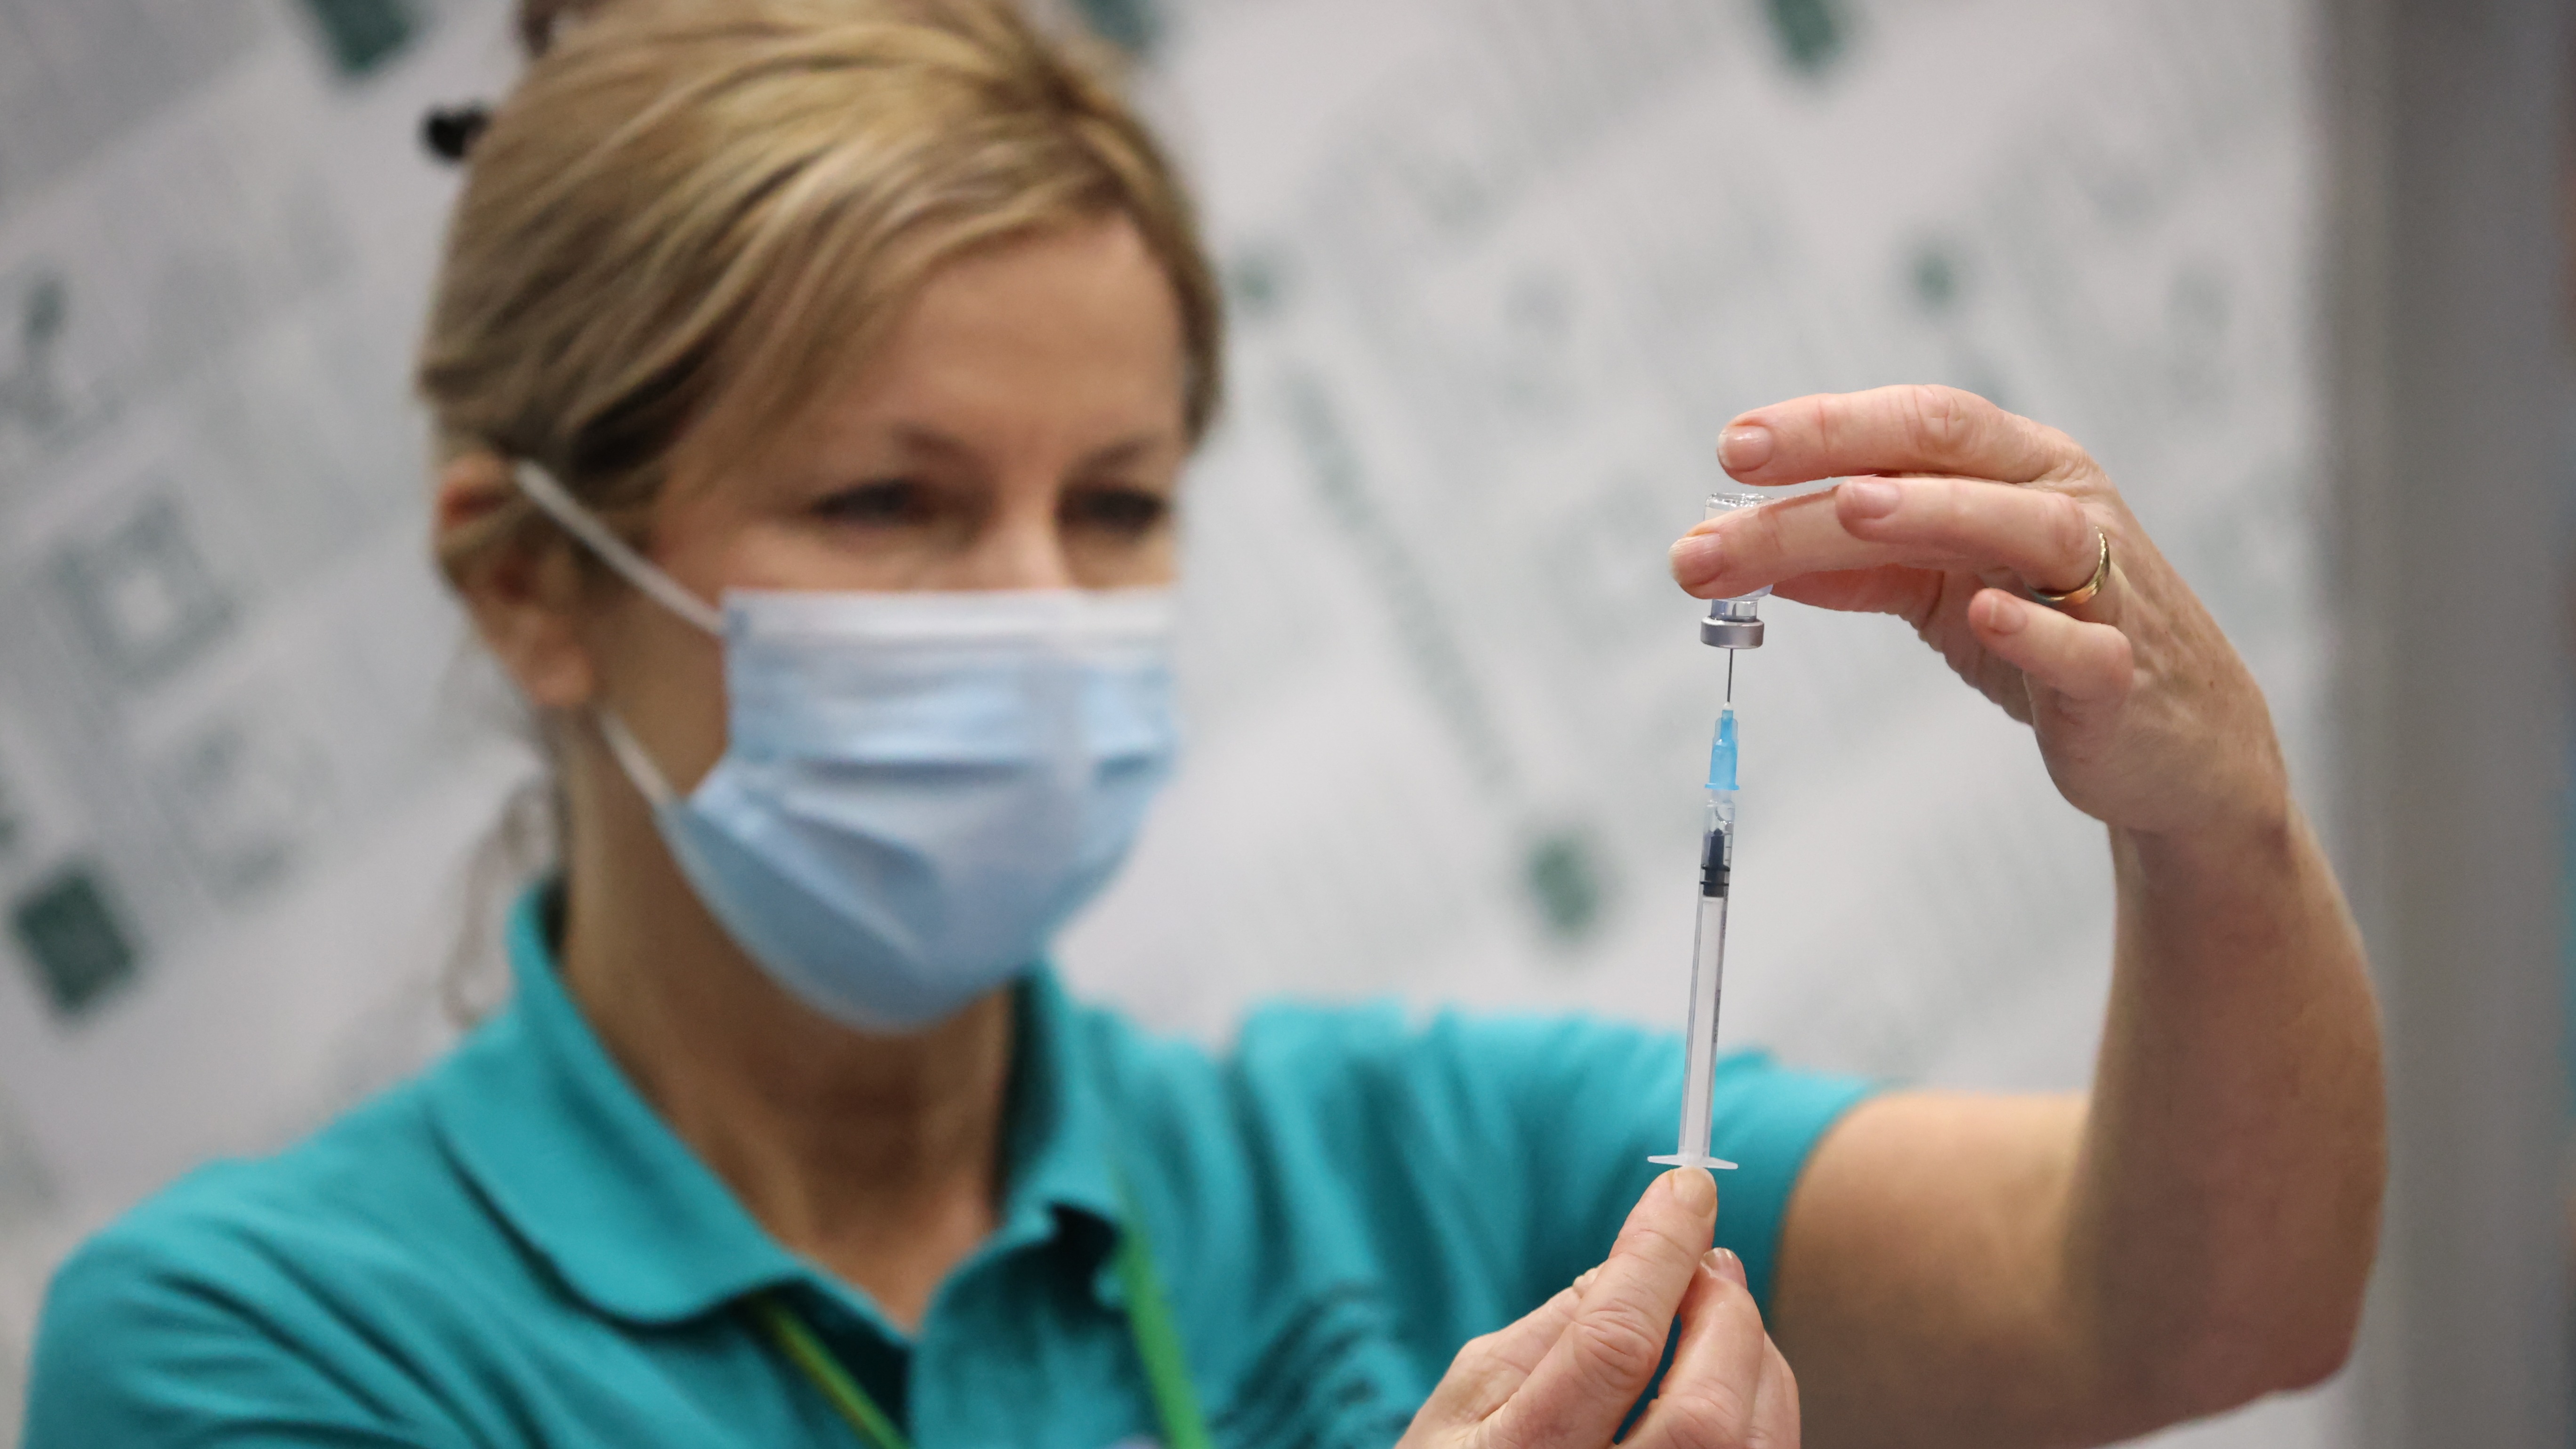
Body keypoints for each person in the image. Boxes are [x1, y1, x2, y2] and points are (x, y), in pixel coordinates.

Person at [19, 1, 2384, 1445]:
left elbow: (2200, 1300)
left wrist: (2216, 830)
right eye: (889, 501)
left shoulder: (1412, 1172)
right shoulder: (272, 1346)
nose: (1042, 606)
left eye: (1117, 501)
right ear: (534, 581)